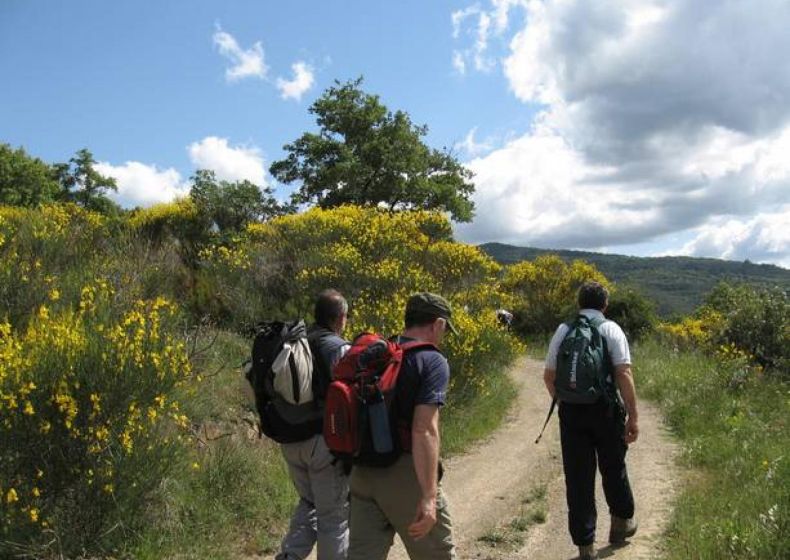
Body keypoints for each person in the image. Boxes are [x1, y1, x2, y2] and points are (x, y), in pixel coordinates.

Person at [347, 292, 457, 560]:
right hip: (404, 475)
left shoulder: (380, 353)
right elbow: (424, 429)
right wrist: (429, 496)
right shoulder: (431, 361)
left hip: (361, 472)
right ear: (438, 324)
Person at [543, 282, 639, 560]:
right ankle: (620, 525)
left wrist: (566, 402)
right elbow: (624, 374)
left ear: (578, 303)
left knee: (578, 478)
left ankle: (585, 547)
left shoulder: (564, 330)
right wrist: (633, 416)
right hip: (606, 410)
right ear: (604, 305)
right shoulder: (611, 329)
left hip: (572, 413)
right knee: (613, 467)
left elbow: (548, 377)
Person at [277, 289, 351, 560]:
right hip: (322, 445)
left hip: (290, 440)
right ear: (340, 318)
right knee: (333, 518)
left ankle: (290, 556)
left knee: (309, 504)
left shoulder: (299, 341)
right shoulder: (336, 347)